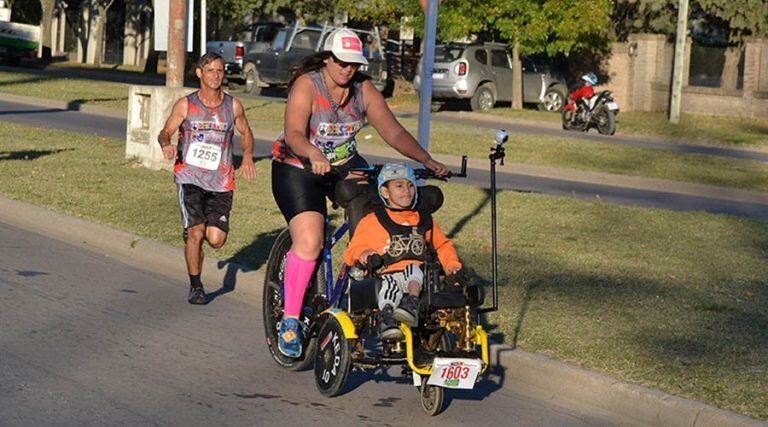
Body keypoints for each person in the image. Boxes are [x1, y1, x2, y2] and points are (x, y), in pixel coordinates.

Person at [271, 28, 448, 357]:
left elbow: (392, 130)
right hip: (297, 166)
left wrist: (426, 159)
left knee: (379, 224)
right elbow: (294, 133)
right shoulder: (308, 85)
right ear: (328, 59)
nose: (348, 69)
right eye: (342, 62)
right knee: (309, 241)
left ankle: (369, 285)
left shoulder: (363, 89)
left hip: (345, 164)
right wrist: (313, 154)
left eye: (354, 64)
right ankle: (291, 320)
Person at [158, 52, 256, 305]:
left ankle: (198, 236)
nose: (216, 75)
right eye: (210, 70)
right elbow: (165, 131)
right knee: (196, 233)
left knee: (215, 240)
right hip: (189, 176)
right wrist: (166, 144)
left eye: (220, 71)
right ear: (200, 73)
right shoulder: (186, 105)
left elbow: (246, 132)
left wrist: (247, 157)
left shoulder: (232, 106)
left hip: (221, 181)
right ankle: (196, 285)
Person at [342, 163, 462, 340]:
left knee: (414, 269)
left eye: (410, 185)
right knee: (388, 287)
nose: (406, 190)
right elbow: (352, 250)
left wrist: (452, 266)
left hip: (418, 276)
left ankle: (410, 304)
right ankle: (387, 316)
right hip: (386, 274)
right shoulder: (372, 221)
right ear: (385, 192)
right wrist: (365, 253)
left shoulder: (424, 219)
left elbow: (442, 246)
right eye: (399, 186)